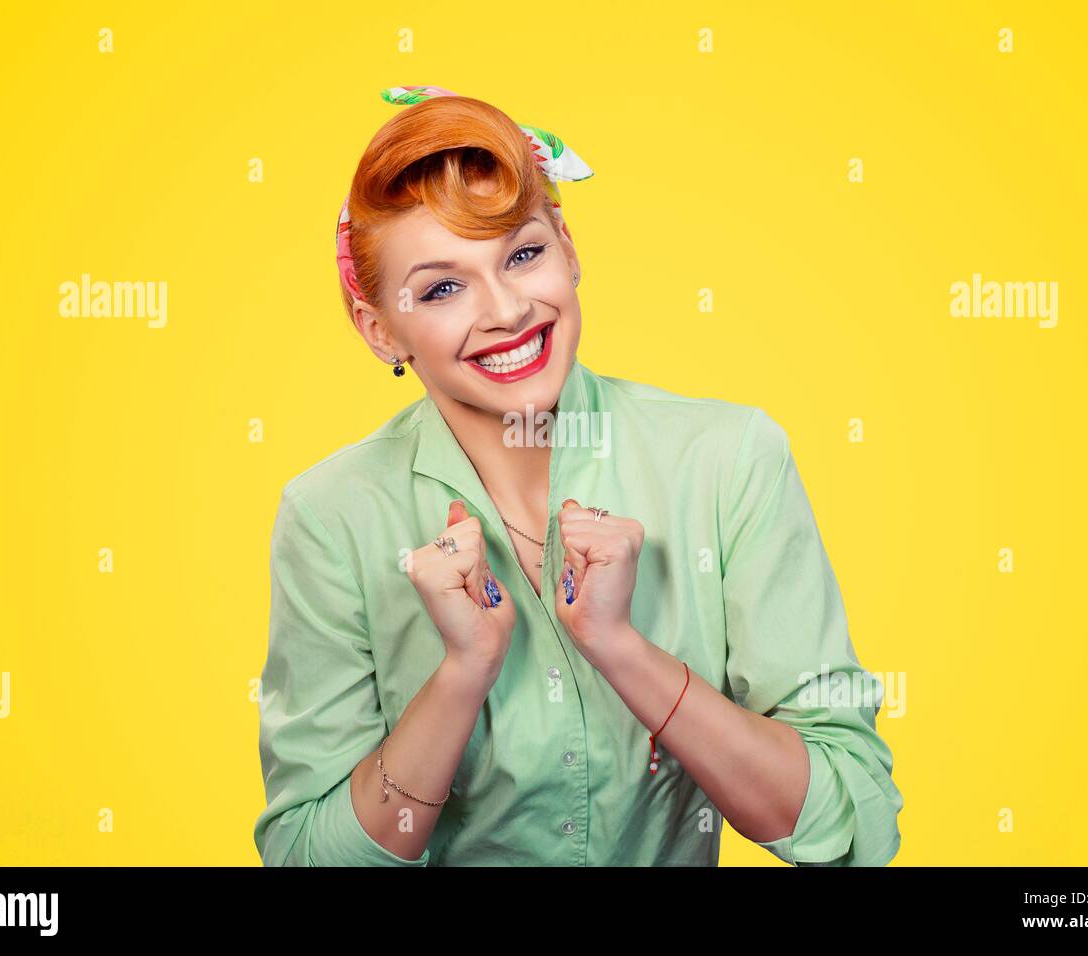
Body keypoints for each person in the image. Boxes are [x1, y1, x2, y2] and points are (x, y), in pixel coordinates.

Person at [253, 85, 903, 866]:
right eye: (443, 287)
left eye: (523, 254)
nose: (506, 310)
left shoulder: (729, 461)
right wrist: (462, 676)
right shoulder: (333, 516)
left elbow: (855, 826)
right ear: (380, 327)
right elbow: (304, 857)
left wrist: (623, 650)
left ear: (567, 246)